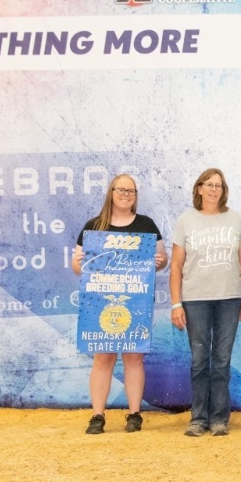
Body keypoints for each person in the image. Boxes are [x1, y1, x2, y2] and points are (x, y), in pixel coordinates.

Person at [72, 173, 168, 434]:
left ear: (136, 196)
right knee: (103, 356)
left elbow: (162, 257)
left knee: (134, 355)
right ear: (111, 192)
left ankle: (135, 414)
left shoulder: (146, 225)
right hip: (100, 300)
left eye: (131, 191)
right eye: (121, 190)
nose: (126, 195)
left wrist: (160, 261)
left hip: (135, 299)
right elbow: (76, 264)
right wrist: (79, 264)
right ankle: (97, 415)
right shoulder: (94, 227)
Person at [170, 168, 241, 437]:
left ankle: (219, 418)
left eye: (218, 185)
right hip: (195, 300)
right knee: (199, 360)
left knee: (221, 360)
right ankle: (198, 417)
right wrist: (175, 304)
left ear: (223, 190)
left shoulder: (236, 220)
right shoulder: (186, 221)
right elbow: (176, 266)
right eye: (209, 184)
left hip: (229, 298)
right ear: (199, 188)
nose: (213, 189)